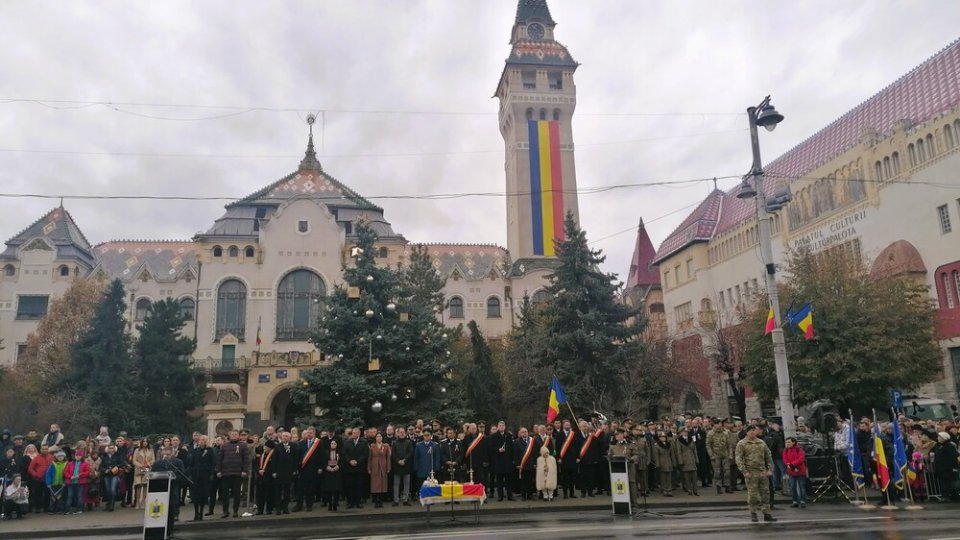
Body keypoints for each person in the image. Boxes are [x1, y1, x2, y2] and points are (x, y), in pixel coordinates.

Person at [735, 425, 776, 522]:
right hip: (751, 473)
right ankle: (753, 513)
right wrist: (744, 471)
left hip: (762, 472)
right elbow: (739, 459)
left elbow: (768, 456)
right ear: (747, 432)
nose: (752, 432)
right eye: (750, 431)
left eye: (754, 430)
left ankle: (767, 513)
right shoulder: (742, 443)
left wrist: (770, 469)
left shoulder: (761, 442)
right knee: (753, 495)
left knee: (765, 494)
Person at [151, 446, 189, 529]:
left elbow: (182, 473)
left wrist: (175, 477)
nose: (166, 456)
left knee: (174, 499)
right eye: (164, 454)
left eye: (168, 454)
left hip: (173, 484)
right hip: (160, 486)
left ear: (172, 454)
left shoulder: (178, 462)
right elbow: (152, 473)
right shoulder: (157, 463)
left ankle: (175, 514)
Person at [216, 430, 249, 518]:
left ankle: (235, 510)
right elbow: (219, 459)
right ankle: (225, 511)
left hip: (237, 473)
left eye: (235, 434)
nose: (234, 436)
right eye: (232, 434)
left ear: (238, 436)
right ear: (229, 436)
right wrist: (218, 471)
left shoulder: (243, 445)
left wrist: (244, 470)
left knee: (236, 493)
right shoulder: (224, 446)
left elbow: (246, 459)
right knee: (225, 493)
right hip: (225, 473)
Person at [294, 427, 322, 512]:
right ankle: (299, 505)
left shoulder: (318, 443)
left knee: (311, 488)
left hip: (313, 469)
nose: (309, 434)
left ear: (314, 433)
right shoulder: (301, 443)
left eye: (310, 433)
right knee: (300, 489)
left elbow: (322, 456)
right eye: (308, 433)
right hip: (303, 469)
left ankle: (309, 505)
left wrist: (320, 467)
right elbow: (298, 456)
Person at [271, 431, 299, 514]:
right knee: (278, 491)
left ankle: (285, 507)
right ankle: (278, 508)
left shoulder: (293, 446)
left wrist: (294, 470)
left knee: (287, 491)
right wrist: (274, 472)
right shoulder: (277, 447)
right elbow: (274, 460)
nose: (285, 437)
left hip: (289, 472)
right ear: (281, 437)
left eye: (287, 436)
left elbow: (295, 459)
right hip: (279, 472)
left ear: (289, 437)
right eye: (283, 436)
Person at [189, 436, 214, 521]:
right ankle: (196, 513)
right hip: (196, 476)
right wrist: (191, 473)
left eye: (203, 440)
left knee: (203, 495)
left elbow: (212, 463)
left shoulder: (209, 450)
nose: (201, 441)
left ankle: (201, 513)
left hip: (205, 476)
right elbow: (192, 463)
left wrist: (211, 473)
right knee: (196, 496)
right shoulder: (195, 451)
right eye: (200, 440)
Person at [342, 428, 368, 509]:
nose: (354, 434)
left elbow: (365, 454)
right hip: (349, 468)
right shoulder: (347, 442)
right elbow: (344, 453)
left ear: (359, 434)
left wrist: (358, 461)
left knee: (359, 486)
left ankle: (358, 502)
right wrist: (350, 461)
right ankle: (350, 502)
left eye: (356, 433)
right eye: (353, 433)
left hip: (359, 468)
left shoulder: (363, 442)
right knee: (350, 486)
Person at [489, 421, 514, 501]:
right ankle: (500, 496)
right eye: (500, 426)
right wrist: (498, 450)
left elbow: (512, 448)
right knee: (499, 480)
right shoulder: (493, 436)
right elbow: (491, 448)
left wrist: (512, 459)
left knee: (508, 480)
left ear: (505, 427)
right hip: (498, 461)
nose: (502, 427)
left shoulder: (509, 435)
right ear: (497, 427)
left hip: (507, 461)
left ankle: (510, 495)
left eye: (503, 425)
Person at [932, 432, 959, 501]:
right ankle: (945, 496)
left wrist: (954, 467)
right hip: (940, 468)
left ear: (944, 438)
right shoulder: (937, 445)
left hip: (949, 468)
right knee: (943, 483)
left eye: (940, 437)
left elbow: (954, 457)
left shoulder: (949, 446)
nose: (938, 438)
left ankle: (953, 496)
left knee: (951, 484)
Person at [413, 430, 440, 498]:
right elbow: (416, 457)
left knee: (431, 484)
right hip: (421, 468)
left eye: (428, 435)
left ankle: (431, 497)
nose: (426, 437)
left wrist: (436, 467)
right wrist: (416, 467)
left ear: (431, 436)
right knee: (421, 484)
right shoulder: (419, 445)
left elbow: (437, 457)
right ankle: (422, 497)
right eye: (425, 435)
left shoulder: (435, 445)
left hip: (431, 468)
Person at [391, 427, 414, 506]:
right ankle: (396, 500)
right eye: (400, 432)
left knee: (406, 483)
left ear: (405, 433)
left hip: (406, 465)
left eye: (403, 432)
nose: (402, 433)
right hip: (397, 465)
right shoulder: (394, 443)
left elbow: (410, 453)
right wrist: (398, 461)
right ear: (397, 433)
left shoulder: (409, 442)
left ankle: (405, 499)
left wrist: (404, 460)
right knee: (396, 483)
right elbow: (393, 454)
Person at [513, 427, 538, 500]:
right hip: (522, 464)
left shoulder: (532, 441)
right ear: (520, 433)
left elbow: (535, 452)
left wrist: (535, 463)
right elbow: (515, 454)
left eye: (526, 431)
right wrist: (517, 464)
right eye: (523, 432)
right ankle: (524, 495)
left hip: (531, 464)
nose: (524, 433)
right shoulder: (517, 441)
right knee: (523, 481)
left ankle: (530, 494)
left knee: (530, 480)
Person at [782, 437, 807, 508]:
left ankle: (802, 501)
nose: (787, 444)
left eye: (789, 442)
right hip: (791, 471)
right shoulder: (785, 450)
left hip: (800, 470)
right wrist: (789, 465)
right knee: (793, 486)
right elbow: (785, 459)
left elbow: (801, 459)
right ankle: (795, 501)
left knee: (801, 486)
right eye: (786, 442)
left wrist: (792, 464)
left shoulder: (799, 449)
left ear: (793, 442)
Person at [63, 449, 90, 514]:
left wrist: (80, 475)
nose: (77, 457)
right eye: (76, 455)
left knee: (80, 496)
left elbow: (87, 472)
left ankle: (80, 509)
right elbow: (66, 472)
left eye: (79, 456)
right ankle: (67, 509)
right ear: (74, 456)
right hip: (71, 482)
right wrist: (70, 477)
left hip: (80, 482)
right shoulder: (70, 464)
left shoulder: (85, 464)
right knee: (70, 496)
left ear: (82, 456)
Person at [368, 432, 391, 508]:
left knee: (382, 484)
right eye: (377, 437)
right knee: (375, 485)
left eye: (380, 436)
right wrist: (369, 468)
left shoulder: (385, 446)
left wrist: (388, 467)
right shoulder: (372, 447)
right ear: (375, 438)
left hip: (383, 467)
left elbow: (388, 457)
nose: (379, 438)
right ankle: (375, 501)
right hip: (374, 466)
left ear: (382, 438)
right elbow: (369, 458)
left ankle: (381, 501)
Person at [101, 444, 127, 511]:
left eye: (112, 448)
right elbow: (101, 466)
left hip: (114, 474)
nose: (111, 449)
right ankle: (108, 504)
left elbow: (122, 463)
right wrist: (105, 470)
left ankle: (112, 505)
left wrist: (115, 467)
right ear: (107, 449)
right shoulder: (104, 456)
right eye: (110, 448)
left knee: (112, 489)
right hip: (106, 475)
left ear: (114, 449)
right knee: (108, 490)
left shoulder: (118, 455)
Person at [132, 438, 155, 509]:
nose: (145, 443)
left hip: (147, 469)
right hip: (139, 469)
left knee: (145, 485)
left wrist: (148, 464)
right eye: (144, 441)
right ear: (142, 442)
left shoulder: (151, 450)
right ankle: (137, 502)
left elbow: (153, 459)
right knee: (138, 485)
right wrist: (140, 465)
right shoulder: (137, 450)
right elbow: (134, 460)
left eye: (146, 441)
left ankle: (143, 502)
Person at [675, 429, 699, 496]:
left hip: (692, 459)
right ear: (681, 433)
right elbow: (678, 452)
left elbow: (695, 450)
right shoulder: (679, 440)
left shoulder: (691, 439)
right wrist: (680, 461)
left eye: (686, 432)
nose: (685, 433)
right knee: (686, 477)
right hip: (684, 459)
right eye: (684, 432)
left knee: (694, 476)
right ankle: (689, 490)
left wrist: (696, 459)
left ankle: (695, 490)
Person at [652, 432, 675, 497]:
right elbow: (656, 456)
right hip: (662, 462)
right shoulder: (657, 445)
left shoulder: (669, 445)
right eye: (662, 437)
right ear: (659, 438)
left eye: (664, 437)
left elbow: (672, 454)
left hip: (669, 462)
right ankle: (664, 490)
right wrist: (658, 464)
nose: (663, 438)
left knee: (669, 478)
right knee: (663, 478)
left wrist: (673, 462)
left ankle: (669, 490)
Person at [322, 440, 343, 511]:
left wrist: (338, 466)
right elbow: (323, 461)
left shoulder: (339, 452)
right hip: (328, 472)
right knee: (329, 489)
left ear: (336, 445)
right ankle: (330, 504)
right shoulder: (326, 452)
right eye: (332, 443)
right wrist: (327, 467)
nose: (333, 445)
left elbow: (342, 461)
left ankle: (335, 503)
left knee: (336, 489)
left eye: (334, 444)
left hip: (337, 472)